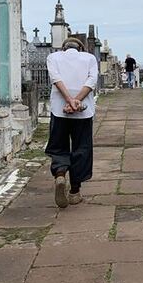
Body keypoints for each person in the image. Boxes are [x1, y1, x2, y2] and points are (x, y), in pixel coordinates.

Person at [45, 38, 98, 207]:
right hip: (83, 110)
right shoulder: (89, 58)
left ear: (64, 48)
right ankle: (75, 191)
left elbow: (56, 79)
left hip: (60, 109)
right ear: (81, 48)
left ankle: (60, 174)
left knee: (59, 145)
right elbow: (91, 81)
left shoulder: (54, 58)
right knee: (81, 147)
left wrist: (68, 100)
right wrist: (76, 101)